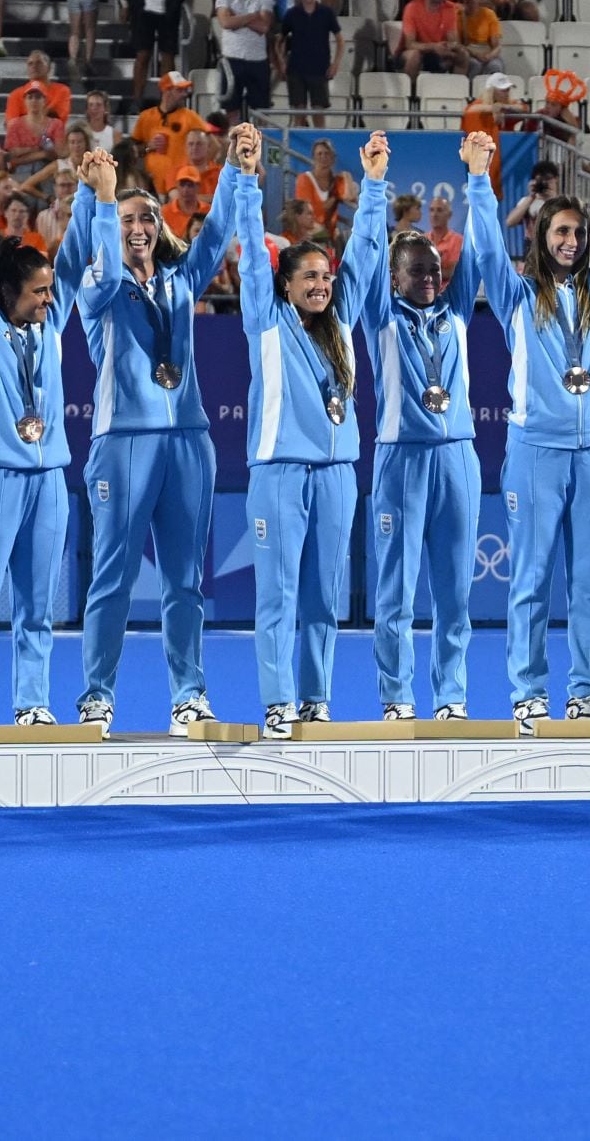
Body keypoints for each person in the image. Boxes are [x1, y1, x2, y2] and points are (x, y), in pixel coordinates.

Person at [464, 106, 590, 730]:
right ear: (541, 237)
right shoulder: (516, 294)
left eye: (578, 233)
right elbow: (488, 244)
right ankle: (527, 694)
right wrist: (478, 175)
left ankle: (585, 690)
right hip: (536, 450)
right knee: (532, 578)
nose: (571, 242)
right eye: (559, 233)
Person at [68, 148, 249, 733]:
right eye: (127, 220)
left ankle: (188, 694)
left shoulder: (181, 279)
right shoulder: (98, 286)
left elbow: (218, 231)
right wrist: (103, 197)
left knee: (184, 581)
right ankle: (98, 696)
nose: (140, 228)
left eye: (147, 218)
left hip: (189, 441)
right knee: (113, 577)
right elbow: (98, 279)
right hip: (122, 443)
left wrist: (235, 167)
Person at [0, 152, 97, 729]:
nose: (48, 300)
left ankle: (32, 702)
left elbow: (77, 259)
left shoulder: (51, 325)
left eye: (49, 290)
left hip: (48, 479)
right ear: (8, 292)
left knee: (39, 606)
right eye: (37, 292)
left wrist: (88, 194)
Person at [225, 122, 360, 737]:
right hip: (278, 471)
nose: (320, 285)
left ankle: (315, 699)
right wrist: (249, 179)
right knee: (278, 594)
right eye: (308, 277)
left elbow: (367, 254)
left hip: (336, 473)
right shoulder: (267, 319)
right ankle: (278, 700)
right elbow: (253, 252)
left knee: (326, 600)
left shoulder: (342, 323)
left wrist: (375, 187)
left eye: (325, 278)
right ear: (285, 284)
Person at [353, 131, 481, 720]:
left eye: (435, 270)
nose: (431, 280)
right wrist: (375, 186)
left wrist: (477, 178)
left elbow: (477, 252)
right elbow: (363, 263)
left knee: (455, 594)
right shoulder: (381, 316)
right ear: (395, 277)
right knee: (396, 591)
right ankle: (397, 697)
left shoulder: (455, 312)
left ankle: (451, 698)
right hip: (401, 458)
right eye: (418, 272)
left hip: (458, 458)